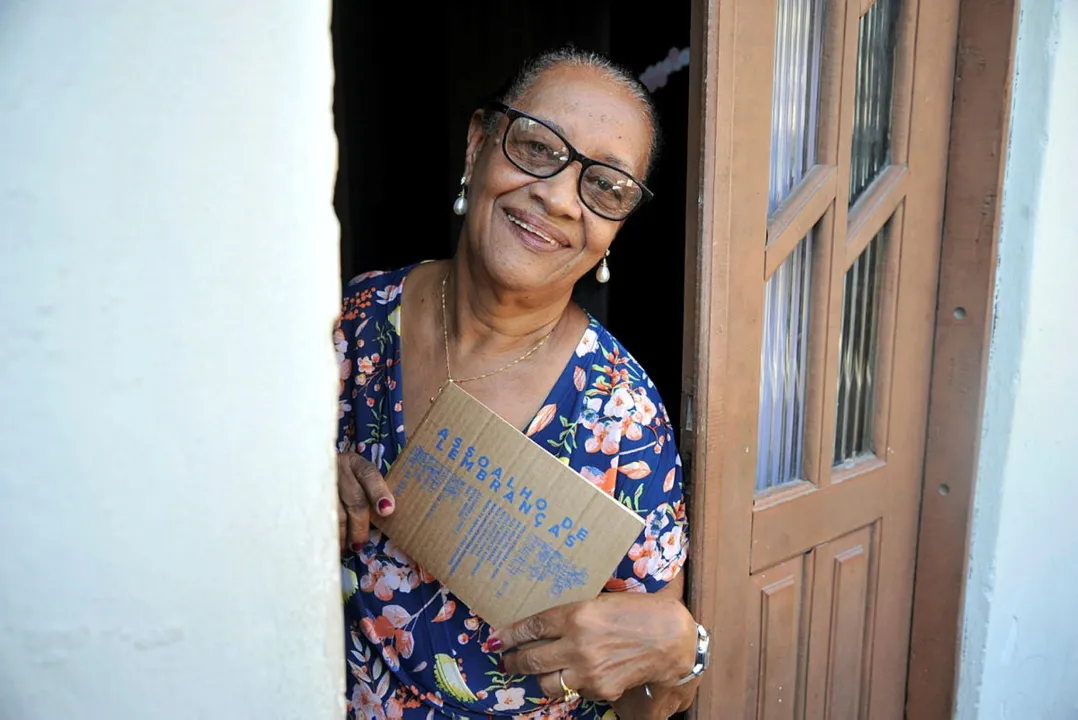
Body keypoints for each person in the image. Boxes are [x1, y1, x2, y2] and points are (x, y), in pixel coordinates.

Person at [336, 48, 707, 720]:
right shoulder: (361, 316)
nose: (559, 198)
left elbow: (649, 701)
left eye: (605, 187)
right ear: (478, 144)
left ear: (617, 228)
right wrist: (309, 489)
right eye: (538, 147)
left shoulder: (621, 420)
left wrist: (681, 652)